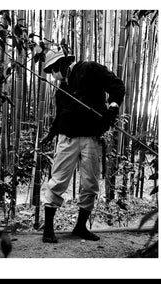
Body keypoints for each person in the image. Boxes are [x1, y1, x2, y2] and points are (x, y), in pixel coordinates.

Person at [40, 48, 125, 243]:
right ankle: (48, 229)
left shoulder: (90, 69)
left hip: (92, 137)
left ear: (61, 64)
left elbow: (117, 85)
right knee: (58, 180)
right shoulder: (61, 90)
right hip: (67, 138)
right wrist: (51, 133)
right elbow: (59, 115)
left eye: (53, 70)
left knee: (90, 183)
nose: (53, 76)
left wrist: (113, 107)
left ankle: (80, 227)